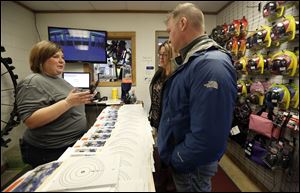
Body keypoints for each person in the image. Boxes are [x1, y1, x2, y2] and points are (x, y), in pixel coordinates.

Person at [157, 3, 237, 192]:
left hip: (191, 166)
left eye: (170, 31)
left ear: (182, 23)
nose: (169, 38)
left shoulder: (210, 66)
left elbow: (209, 137)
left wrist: (178, 157)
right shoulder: (193, 62)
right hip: (187, 162)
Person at [16, 40, 95, 168]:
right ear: (40, 59)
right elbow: (31, 120)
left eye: (62, 57)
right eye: (55, 57)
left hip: (71, 143)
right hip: (50, 151)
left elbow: (66, 102)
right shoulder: (32, 82)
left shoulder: (59, 80)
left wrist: (80, 99)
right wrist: (68, 102)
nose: (61, 61)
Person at [149, 41, 176, 192]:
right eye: (159, 54)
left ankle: (169, 184)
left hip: (169, 124)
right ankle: (163, 181)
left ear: (172, 56)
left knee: (168, 154)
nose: (160, 57)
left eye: (164, 54)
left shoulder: (175, 76)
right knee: (161, 153)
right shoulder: (159, 73)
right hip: (158, 120)